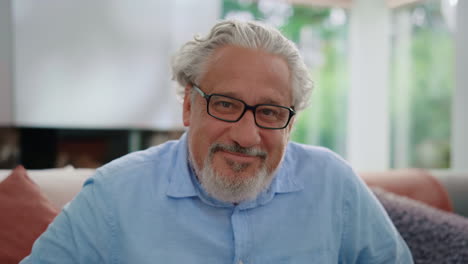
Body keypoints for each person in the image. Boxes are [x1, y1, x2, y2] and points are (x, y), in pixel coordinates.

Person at [21, 20, 413, 263]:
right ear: (189, 107)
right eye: (225, 104)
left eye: (270, 112)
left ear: (290, 125)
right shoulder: (113, 195)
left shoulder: (334, 184)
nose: (245, 136)